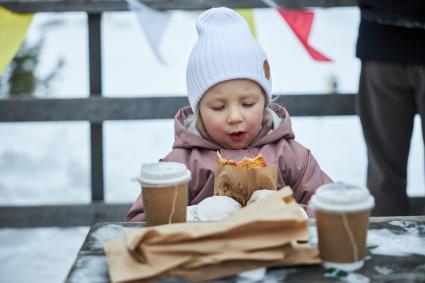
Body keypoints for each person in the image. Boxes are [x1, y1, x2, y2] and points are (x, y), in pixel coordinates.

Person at [126, 7, 332, 222]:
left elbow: (332, 210)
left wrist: (295, 213)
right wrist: (193, 216)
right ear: (198, 110)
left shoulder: (291, 157)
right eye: (218, 107)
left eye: (248, 103)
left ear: (265, 102)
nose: (234, 116)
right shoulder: (182, 166)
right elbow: (138, 223)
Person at [356, 0, 425, 216]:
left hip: (380, 43)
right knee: (383, 176)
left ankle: (385, 242)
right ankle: (386, 242)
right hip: (380, 45)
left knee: (383, 176)